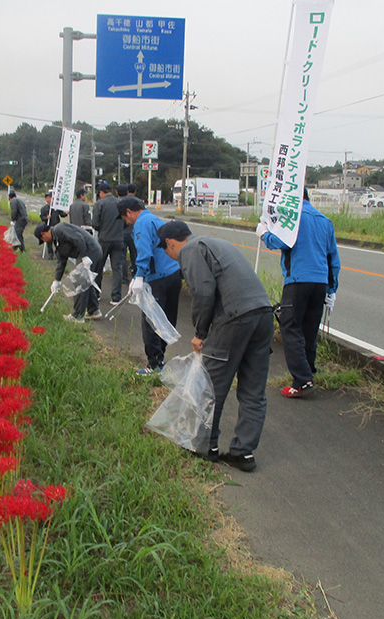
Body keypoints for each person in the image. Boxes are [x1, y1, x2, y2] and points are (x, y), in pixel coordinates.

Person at [158, 220, 274, 473]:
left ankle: (205, 446)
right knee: (253, 390)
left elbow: (203, 292)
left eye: (166, 250)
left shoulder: (190, 250)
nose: (170, 256)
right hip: (263, 314)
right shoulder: (216, 243)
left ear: (170, 243)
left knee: (211, 384)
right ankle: (244, 454)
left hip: (234, 317)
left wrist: (200, 333)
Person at [257, 188, 340, 399]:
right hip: (319, 283)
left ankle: (302, 381)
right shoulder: (324, 220)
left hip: (297, 281)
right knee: (309, 330)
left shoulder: (292, 218)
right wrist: (331, 290)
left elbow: (282, 242)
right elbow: (333, 259)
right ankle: (308, 373)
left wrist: (264, 234)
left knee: (290, 328)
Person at [118, 196, 181, 375]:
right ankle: (160, 359)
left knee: (151, 320)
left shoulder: (142, 223)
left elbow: (144, 252)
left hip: (158, 277)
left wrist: (139, 276)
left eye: (124, 217)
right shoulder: (155, 219)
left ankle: (154, 364)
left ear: (129, 212)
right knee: (167, 318)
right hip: (174, 272)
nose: (126, 221)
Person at [34, 221, 103, 322]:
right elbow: (61, 262)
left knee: (79, 281)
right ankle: (94, 311)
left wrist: (84, 257)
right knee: (86, 281)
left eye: (43, 240)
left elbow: (78, 238)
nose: (45, 242)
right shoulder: (57, 242)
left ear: (43, 234)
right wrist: (56, 280)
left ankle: (78, 316)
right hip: (89, 252)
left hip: (90, 251)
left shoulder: (59, 229)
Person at [92, 181, 126, 305]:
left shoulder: (99, 204)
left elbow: (95, 224)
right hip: (119, 239)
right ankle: (116, 297)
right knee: (117, 268)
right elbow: (126, 222)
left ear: (101, 193)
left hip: (104, 239)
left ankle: (96, 294)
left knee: (98, 267)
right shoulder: (120, 203)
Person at [39, 190, 67, 257]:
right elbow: (42, 217)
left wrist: (66, 213)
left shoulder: (56, 208)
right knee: (49, 241)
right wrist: (46, 218)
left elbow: (62, 214)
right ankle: (50, 254)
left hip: (56, 227)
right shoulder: (43, 209)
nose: (48, 200)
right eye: (47, 198)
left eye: (50, 198)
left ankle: (57, 253)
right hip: (48, 227)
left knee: (57, 241)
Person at [118, 184, 137, 278]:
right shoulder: (137, 202)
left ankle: (124, 277)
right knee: (135, 255)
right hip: (134, 232)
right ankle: (136, 275)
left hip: (121, 232)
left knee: (122, 257)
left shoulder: (118, 203)